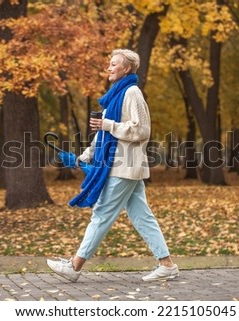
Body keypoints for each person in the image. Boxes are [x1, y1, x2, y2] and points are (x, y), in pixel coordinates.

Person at [46, 49, 179, 282]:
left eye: (113, 64)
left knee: (101, 214)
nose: (108, 67)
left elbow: (142, 130)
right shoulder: (114, 96)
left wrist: (108, 124)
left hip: (124, 166)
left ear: (126, 69)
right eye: (109, 63)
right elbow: (103, 136)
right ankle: (166, 264)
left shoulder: (132, 93)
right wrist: (85, 156)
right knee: (142, 216)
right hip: (120, 166)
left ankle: (75, 266)